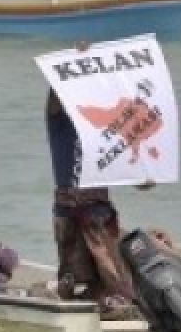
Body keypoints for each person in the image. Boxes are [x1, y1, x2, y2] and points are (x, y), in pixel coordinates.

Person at [45, 88, 137, 313]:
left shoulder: (104, 130)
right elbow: (54, 98)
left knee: (109, 271)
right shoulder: (60, 122)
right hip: (69, 208)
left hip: (98, 211)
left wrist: (147, 173)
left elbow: (132, 167)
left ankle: (113, 303)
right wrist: (77, 65)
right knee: (70, 272)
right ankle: (77, 303)